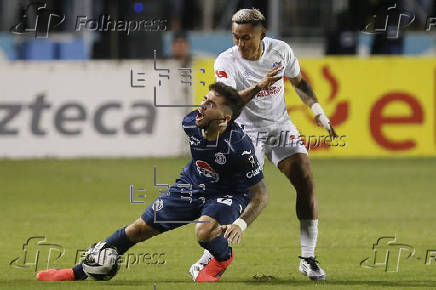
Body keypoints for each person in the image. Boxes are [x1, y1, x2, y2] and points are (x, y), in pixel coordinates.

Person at [36, 82, 269, 283]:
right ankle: (75, 273)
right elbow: (234, 105)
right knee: (138, 229)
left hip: (229, 193)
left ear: (224, 118)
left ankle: (223, 258)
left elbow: (261, 195)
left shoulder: (239, 147)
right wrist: (258, 86)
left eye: (211, 104)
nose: (202, 106)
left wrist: (240, 224)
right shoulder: (191, 123)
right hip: (191, 185)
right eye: (204, 99)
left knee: (204, 230)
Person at [191, 8, 337, 281]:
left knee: (305, 179)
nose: (240, 44)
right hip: (245, 131)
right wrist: (260, 85)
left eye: (246, 37)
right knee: (239, 197)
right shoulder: (226, 61)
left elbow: (299, 82)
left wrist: (318, 112)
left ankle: (308, 258)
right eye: (236, 37)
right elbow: (229, 103)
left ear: (262, 34)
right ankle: (210, 254)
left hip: (279, 125)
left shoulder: (281, 51)